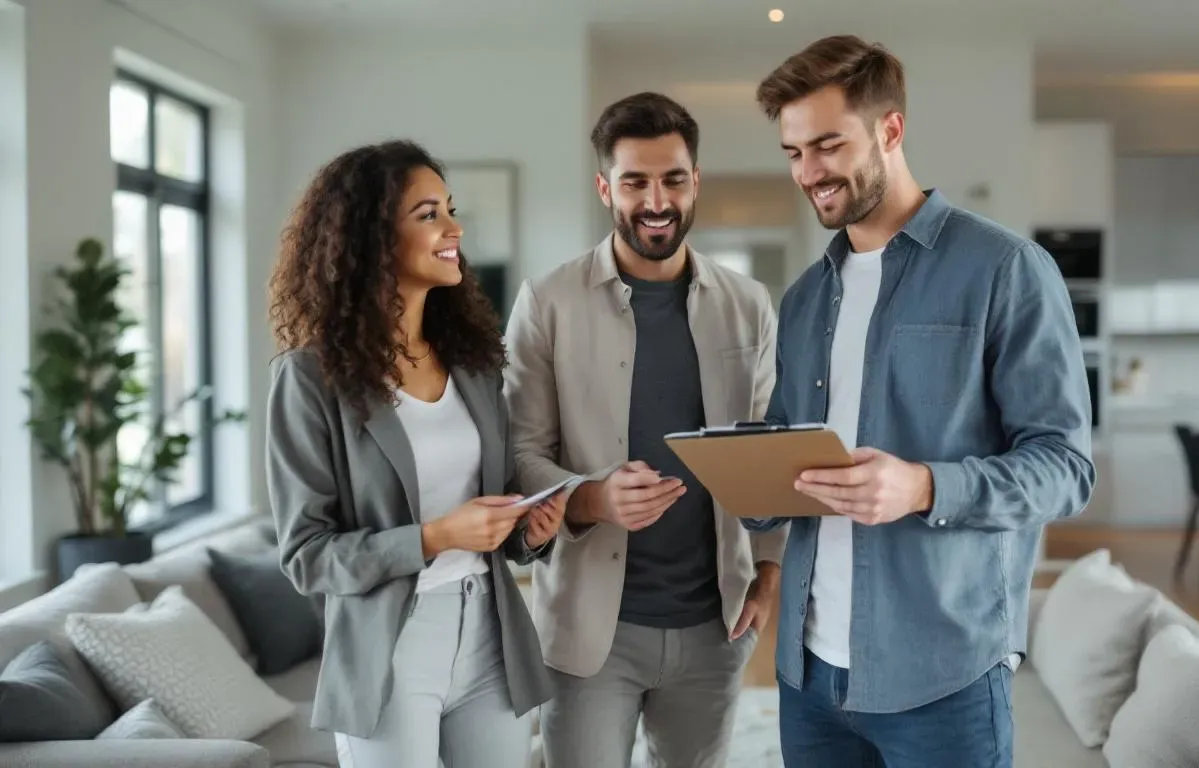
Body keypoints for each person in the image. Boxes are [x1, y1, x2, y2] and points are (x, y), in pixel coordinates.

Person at [743, 36, 1096, 768]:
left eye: (828, 145)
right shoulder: (809, 295)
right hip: (808, 674)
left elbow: (1066, 467)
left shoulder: (1005, 269)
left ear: (891, 130)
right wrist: (748, 472)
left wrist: (924, 486)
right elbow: (793, 440)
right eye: (793, 152)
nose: (809, 173)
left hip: (945, 675)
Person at [503, 92, 789, 768]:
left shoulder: (748, 305)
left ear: (696, 182)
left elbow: (770, 448)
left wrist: (772, 566)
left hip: (714, 627)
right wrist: (594, 498)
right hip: (588, 630)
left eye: (673, 178)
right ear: (606, 187)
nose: (655, 200)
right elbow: (521, 450)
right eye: (635, 181)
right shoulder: (547, 301)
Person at [265, 139, 563, 768]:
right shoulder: (310, 379)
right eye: (429, 214)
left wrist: (530, 531)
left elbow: (497, 516)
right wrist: (433, 536)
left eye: (449, 210)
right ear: (371, 240)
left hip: (490, 630)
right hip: (388, 648)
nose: (454, 228)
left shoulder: (476, 366)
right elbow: (306, 557)